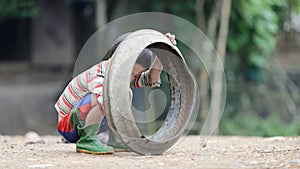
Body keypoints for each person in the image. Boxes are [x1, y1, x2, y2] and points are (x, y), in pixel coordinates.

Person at [54, 32, 177, 155]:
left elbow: (151, 79)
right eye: (131, 73)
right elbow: (102, 99)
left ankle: (116, 139)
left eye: (136, 75)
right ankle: (87, 140)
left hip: (89, 121)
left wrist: (162, 52)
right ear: (116, 61)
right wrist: (132, 132)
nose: (131, 78)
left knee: (125, 92)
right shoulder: (98, 74)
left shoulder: (123, 76)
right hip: (68, 126)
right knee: (105, 94)